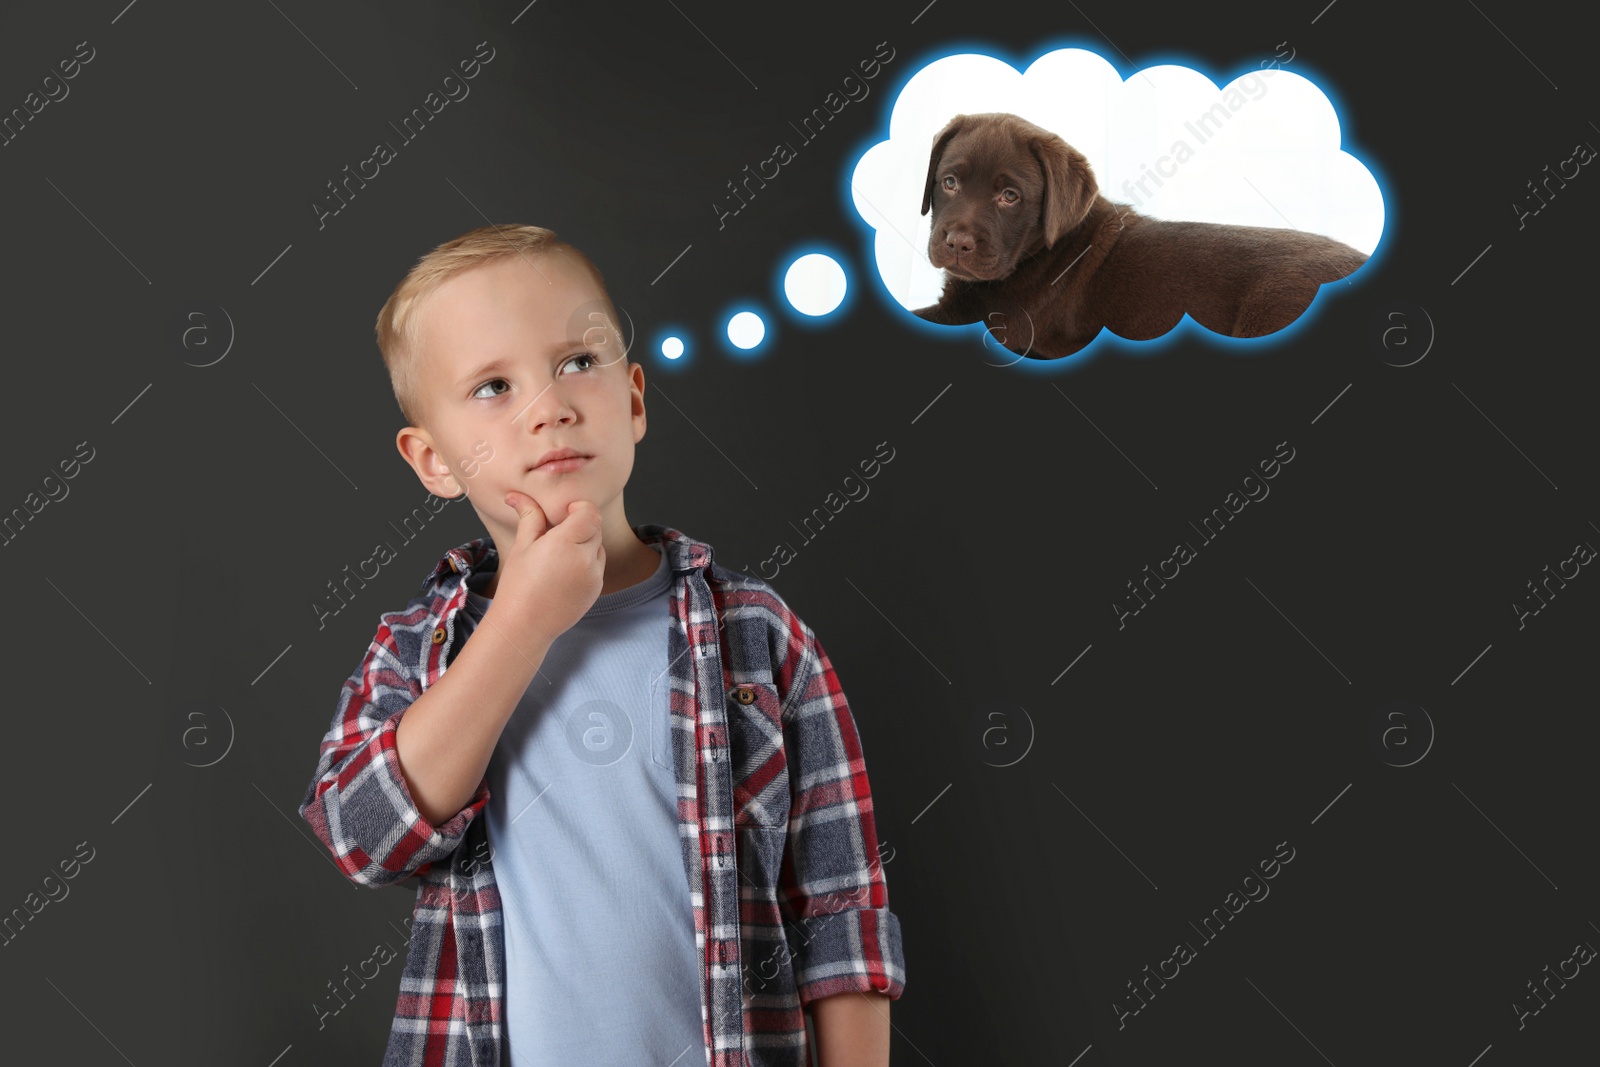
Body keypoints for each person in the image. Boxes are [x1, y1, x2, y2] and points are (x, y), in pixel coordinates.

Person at [297, 224, 905, 1067]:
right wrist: (523, 619)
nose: (548, 405)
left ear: (634, 400)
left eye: (578, 362)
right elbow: (361, 836)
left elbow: (840, 909)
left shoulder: (758, 634)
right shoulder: (417, 649)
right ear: (434, 460)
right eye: (492, 386)